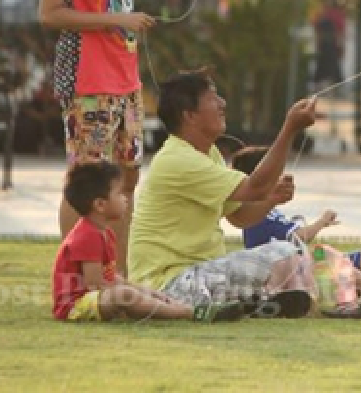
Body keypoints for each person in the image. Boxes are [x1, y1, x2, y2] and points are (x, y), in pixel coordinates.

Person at [38, 0, 228, 274]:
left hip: (124, 79)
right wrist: (117, 20)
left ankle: (119, 278)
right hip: (87, 80)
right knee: (88, 184)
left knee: (125, 183)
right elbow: (50, 13)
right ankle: (79, 281)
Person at [128, 69, 319, 318]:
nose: (222, 104)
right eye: (212, 98)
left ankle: (260, 303)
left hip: (197, 275)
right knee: (284, 255)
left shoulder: (209, 153)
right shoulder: (178, 159)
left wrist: (271, 199)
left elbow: (239, 217)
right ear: (189, 116)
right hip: (168, 286)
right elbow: (256, 188)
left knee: (291, 255)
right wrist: (289, 129)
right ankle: (262, 303)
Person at [52, 159, 245, 323]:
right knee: (124, 296)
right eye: (119, 194)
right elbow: (95, 284)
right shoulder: (87, 236)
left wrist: (147, 292)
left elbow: (111, 277)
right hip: (75, 305)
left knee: (139, 293)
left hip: (95, 299)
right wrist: (131, 294)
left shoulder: (105, 232)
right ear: (100, 205)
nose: (125, 199)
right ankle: (190, 313)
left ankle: (184, 308)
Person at [229, 146, 361, 294]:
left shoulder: (263, 210)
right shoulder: (257, 215)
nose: (282, 178)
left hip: (299, 265)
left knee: (359, 257)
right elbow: (299, 236)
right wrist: (322, 221)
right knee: (328, 256)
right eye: (276, 174)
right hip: (292, 274)